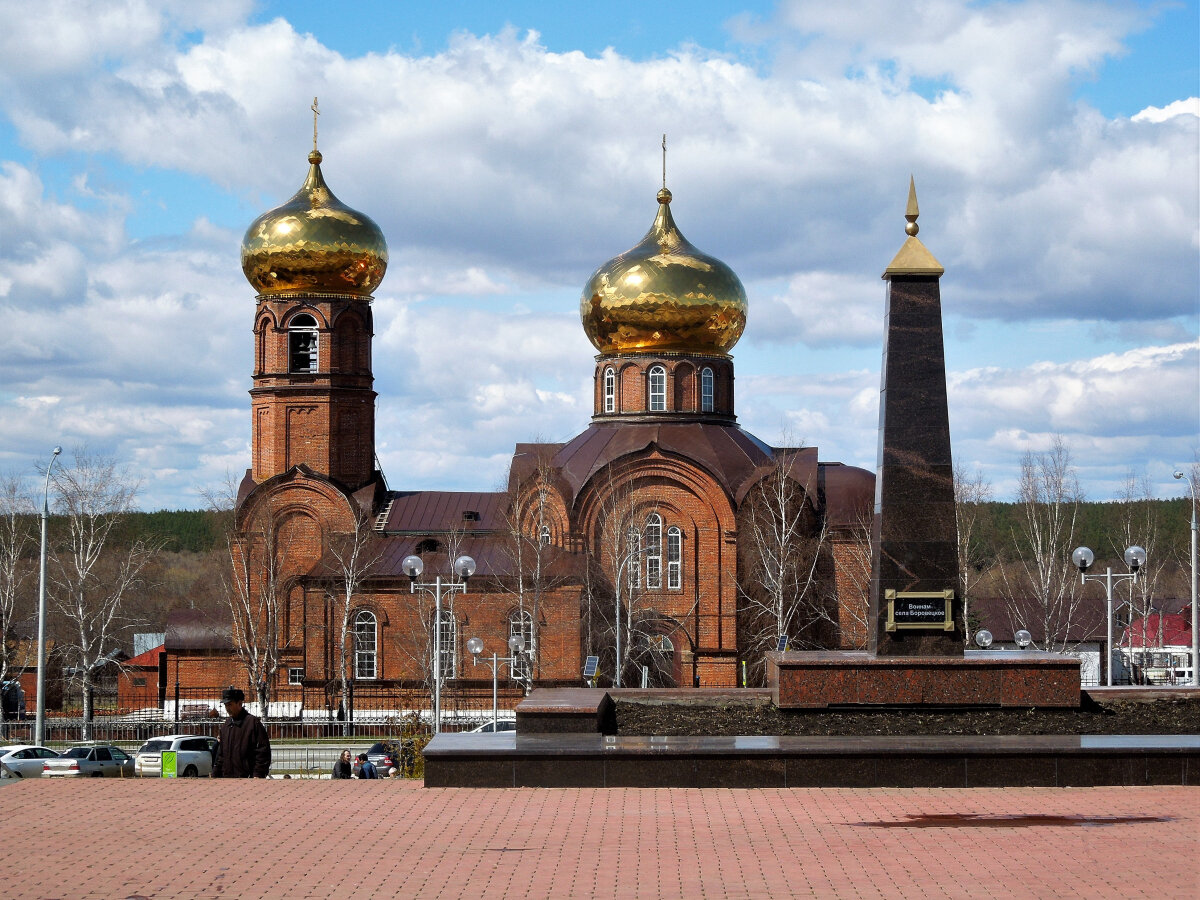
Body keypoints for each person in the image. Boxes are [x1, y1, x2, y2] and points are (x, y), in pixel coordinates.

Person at [212, 686, 271, 778]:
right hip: (227, 778)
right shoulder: (226, 726)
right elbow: (221, 755)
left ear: (239, 704)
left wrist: (258, 774)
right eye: (226, 705)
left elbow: (262, 751)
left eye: (230, 705)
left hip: (248, 778)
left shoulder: (252, 723)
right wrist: (215, 773)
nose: (227, 708)